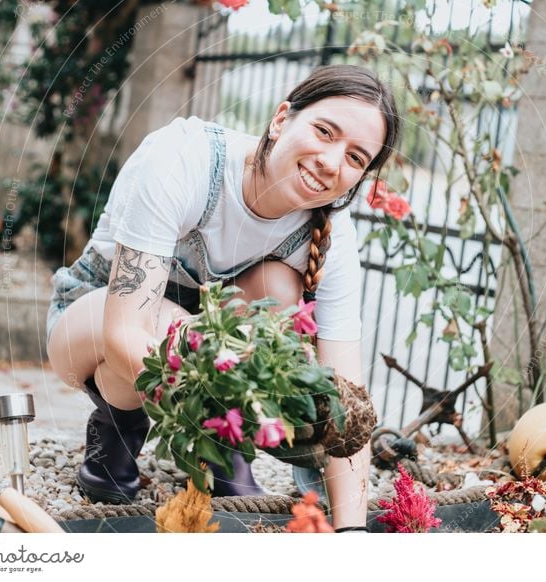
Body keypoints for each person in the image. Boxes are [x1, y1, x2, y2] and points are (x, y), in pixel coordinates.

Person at [45, 64, 400, 532]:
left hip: (206, 362)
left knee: (277, 286)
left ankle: (224, 457)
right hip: (91, 324)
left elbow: (346, 399)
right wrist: (233, 418)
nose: (332, 163)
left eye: (356, 158)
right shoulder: (186, 159)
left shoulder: (332, 234)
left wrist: (351, 531)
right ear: (281, 120)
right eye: (323, 131)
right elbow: (125, 332)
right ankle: (120, 426)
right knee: (174, 327)